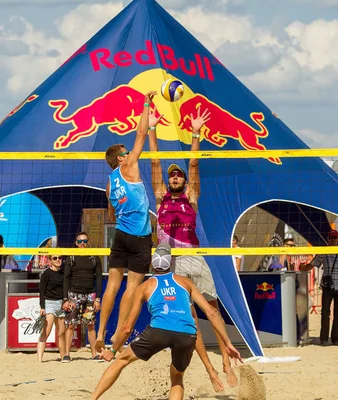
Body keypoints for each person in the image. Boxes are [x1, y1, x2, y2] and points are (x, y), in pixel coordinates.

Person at [149, 106, 238, 388]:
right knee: (191, 321)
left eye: (179, 175)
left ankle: (226, 359)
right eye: (172, 175)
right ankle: (211, 371)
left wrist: (196, 133)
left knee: (213, 311)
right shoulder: (161, 197)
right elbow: (154, 164)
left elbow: (195, 164)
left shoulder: (192, 197)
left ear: (185, 182)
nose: (175, 177)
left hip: (194, 257)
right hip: (172, 263)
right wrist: (151, 129)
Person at [90, 244, 242, 400]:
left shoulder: (145, 287)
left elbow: (128, 327)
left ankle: (93, 398)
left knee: (121, 360)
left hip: (159, 331)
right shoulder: (185, 282)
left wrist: (113, 350)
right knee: (177, 378)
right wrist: (228, 343)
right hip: (186, 334)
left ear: (151, 264)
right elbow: (212, 313)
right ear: (171, 263)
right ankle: (210, 370)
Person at [97, 91, 158, 351]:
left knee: (112, 284)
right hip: (139, 237)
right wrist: (146, 103)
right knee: (131, 287)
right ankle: (117, 335)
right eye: (125, 151)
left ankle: (100, 332)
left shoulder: (110, 184)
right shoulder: (129, 166)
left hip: (120, 235)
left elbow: (111, 214)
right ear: (121, 158)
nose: (128, 152)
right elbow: (141, 134)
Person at [300, 229, 338, 346]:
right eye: (330, 238)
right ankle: (324, 339)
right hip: (328, 287)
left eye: (334, 238)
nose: (332, 240)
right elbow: (312, 265)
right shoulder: (323, 252)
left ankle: (335, 339)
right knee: (325, 313)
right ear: (327, 239)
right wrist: (303, 267)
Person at [62, 232, 103, 362]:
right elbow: (66, 279)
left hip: (90, 295)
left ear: (88, 242)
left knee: (90, 325)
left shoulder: (94, 257)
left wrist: (98, 298)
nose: (83, 244)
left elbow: (99, 278)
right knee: (70, 325)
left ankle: (94, 354)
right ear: (76, 243)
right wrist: (65, 299)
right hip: (74, 295)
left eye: (85, 241)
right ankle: (67, 354)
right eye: (80, 242)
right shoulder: (71, 257)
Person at [37, 254, 67, 362]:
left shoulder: (63, 273)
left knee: (61, 333)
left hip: (61, 304)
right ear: (50, 260)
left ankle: (63, 357)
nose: (58, 260)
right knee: (46, 331)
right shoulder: (46, 274)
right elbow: (41, 291)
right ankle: (39, 359)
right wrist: (42, 307)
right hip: (49, 303)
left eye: (59, 258)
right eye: (55, 258)